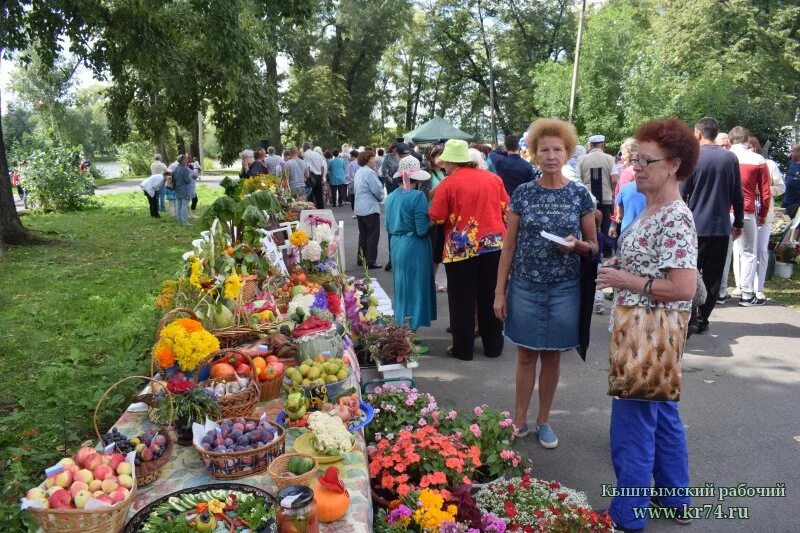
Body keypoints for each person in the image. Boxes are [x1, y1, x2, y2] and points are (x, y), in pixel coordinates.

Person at [595, 118, 700, 532]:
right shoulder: (655, 207)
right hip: (653, 332)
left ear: (673, 164)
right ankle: (675, 496)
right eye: (634, 158)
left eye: (646, 160)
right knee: (662, 411)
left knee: (633, 423)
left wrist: (626, 280)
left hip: (647, 333)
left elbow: (683, 286)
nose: (635, 166)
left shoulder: (674, 216)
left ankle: (628, 516)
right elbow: (658, 262)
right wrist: (625, 264)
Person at [493, 118, 597, 448]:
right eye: (543, 150)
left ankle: (544, 421)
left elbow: (594, 247)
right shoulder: (522, 194)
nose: (550, 155)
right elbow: (508, 246)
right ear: (534, 154)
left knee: (552, 356)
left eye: (557, 149)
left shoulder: (581, 196)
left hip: (565, 287)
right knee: (525, 357)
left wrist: (577, 245)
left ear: (567, 153)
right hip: (524, 285)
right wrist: (500, 291)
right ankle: (520, 420)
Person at [429, 139, 509, 361]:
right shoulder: (494, 179)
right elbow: (506, 209)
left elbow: (437, 216)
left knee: (461, 300)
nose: (444, 166)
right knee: (491, 295)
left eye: (445, 163)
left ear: (453, 163)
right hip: (493, 246)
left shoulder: (448, 184)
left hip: (460, 248)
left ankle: (463, 349)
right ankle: (493, 346)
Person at [680, 117, 744, 333]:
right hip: (720, 226)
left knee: (689, 272)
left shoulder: (693, 158)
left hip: (694, 226)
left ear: (698, 133)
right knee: (713, 275)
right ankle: (704, 318)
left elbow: (682, 192)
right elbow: (738, 193)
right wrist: (740, 222)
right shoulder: (730, 158)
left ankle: (690, 318)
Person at [385, 155, 436, 330]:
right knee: (414, 290)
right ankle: (409, 334)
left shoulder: (390, 197)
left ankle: (401, 330)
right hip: (414, 245)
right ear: (417, 178)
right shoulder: (417, 197)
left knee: (401, 290)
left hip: (396, 244)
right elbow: (422, 230)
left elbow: (388, 226)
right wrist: (435, 221)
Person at [729, 126, 771, 306]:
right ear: (747, 141)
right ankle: (747, 294)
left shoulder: (725, 157)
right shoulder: (758, 159)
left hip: (724, 211)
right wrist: (763, 213)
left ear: (730, 140)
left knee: (724, 253)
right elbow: (765, 192)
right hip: (746, 210)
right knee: (748, 253)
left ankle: (721, 292)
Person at [748, 136, 785, 302]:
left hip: (764, 213)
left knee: (762, 250)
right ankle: (744, 286)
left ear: (756, 147)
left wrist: (764, 189)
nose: (749, 150)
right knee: (744, 251)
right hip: (746, 212)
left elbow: (781, 187)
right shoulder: (740, 163)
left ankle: (759, 287)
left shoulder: (769, 165)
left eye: (751, 147)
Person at [579, 134, 620, 256]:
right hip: (605, 198)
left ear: (590, 145)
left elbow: (577, 179)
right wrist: (613, 195)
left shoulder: (582, 159)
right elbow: (614, 180)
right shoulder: (610, 159)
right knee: (605, 225)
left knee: (589, 224)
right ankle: (606, 251)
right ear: (603, 145)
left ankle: (591, 248)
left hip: (588, 199)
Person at [354, 150, 385, 268]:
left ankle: (361, 259)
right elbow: (377, 190)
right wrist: (381, 197)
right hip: (370, 208)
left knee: (363, 235)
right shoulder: (370, 173)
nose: (375, 160)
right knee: (372, 235)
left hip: (360, 207)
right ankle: (371, 260)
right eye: (372, 158)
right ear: (367, 160)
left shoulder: (359, 171)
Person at [426, 146, 448, 292]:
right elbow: (426, 196)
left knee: (441, 253)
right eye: (438, 156)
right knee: (433, 254)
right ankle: (429, 282)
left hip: (444, 217)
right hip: (431, 218)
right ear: (431, 158)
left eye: (443, 156)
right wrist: (442, 184)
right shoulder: (428, 174)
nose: (441, 160)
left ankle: (436, 282)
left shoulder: (444, 172)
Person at [489, 133, 537, 198]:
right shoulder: (527, 166)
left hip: (505, 200)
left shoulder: (500, 161)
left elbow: (492, 153)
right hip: (521, 200)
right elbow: (532, 187)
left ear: (505, 147)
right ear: (519, 147)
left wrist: (505, 151)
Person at [303, 142, 328, 209]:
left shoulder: (305, 155)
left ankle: (312, 210)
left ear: (304, 148)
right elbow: (322, 167)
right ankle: (321, 209)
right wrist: (322, 176)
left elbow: (306, 167)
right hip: (319, 176)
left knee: (310, 196)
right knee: (319, 195)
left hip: (311, 175)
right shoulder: (317, 154)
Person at [172, 155, 194, 225]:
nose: (187, 161)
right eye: (185, 160)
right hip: (184, 190)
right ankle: (184, 221)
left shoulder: (175, 169)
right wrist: (190, 177)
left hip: (177, 189)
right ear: (181, 161)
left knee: (178, 205)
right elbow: (187, 181)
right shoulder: (185, 169)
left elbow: (173, 180)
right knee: (184, 205)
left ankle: (179, 220)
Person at [784, 144, 800, 218]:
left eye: (793, 151)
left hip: (796, 202)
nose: (791, 153)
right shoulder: (791, 163)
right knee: (782, 220)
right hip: (787, 199)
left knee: (793, 224)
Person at [346, 149, 360, 214]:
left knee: (353, 196)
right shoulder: (360, 162)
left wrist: (350, 184)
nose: (350, 157)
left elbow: (350, 175)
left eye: (350, 156)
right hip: (360, 181)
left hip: (354, 182)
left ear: (353, 156)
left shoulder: (351, 164)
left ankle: (355, 211)